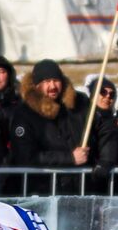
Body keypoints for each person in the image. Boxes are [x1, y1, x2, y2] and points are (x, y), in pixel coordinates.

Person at [8, 59, 88, 194]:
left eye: (56, 80)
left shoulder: (76, 105)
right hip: (40, 190)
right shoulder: (24, 113)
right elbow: (26, 156)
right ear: (36, 85)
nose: (52, 86)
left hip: (75, 188)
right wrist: (70, 158)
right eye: (46, 81)